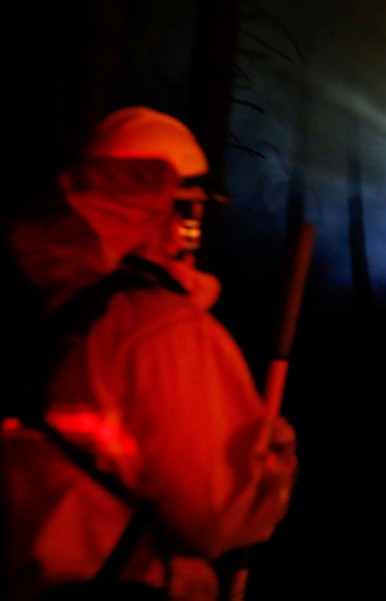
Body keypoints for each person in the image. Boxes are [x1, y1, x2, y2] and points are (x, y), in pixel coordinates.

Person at [0, 106, 298, 601]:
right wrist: (272, 462)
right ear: (172, 209)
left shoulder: (45, 316)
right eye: (194, 206)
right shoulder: (164, 331)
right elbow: (218, 518)